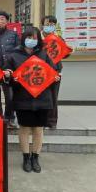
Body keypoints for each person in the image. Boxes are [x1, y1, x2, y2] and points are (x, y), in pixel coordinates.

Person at [4, 27, 60, 173]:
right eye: (29, 37)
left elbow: (53, 72)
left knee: (38, 129)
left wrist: (55, 77)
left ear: (38, 40)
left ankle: (35, 157)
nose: (31, 40)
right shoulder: (13, 55)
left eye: (35, 38)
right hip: (22, 98)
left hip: (42, 98)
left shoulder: (44, 54)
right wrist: (10, 76)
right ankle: (26, 157)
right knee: (24, 128)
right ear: (23, 38)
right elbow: (7, 77)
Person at [0, 11, 19, 127]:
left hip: (8, 70)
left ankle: (9, 118)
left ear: (7, 21)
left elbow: (18, 52)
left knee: (10, 96)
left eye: (2, 19)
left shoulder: (13, 35)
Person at [41, 15, 66, 129]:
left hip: (55, 72)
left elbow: (65, 54)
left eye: (52, 24)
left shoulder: (59, 38)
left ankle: (51, 122)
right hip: (41, 72)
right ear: (42, 25)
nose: (49, 26)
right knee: (41, 97)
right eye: (47, 24)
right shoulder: (37, 38)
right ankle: (41, 120)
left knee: (53, 97)